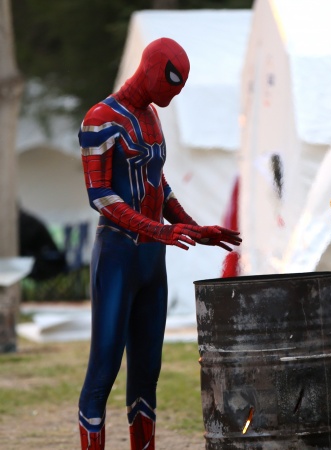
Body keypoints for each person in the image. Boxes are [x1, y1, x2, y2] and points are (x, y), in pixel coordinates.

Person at [76, 37, 241, 450]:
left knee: (148, 369)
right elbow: (100, 196)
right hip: (118, 253)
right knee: (105, 366)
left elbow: (156, 182)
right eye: (173, 81)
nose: (176, 92)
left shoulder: (150, 115)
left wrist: (193, 227)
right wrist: (163, 230)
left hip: (150, 256)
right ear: (150, 70)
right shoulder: (101, 118)